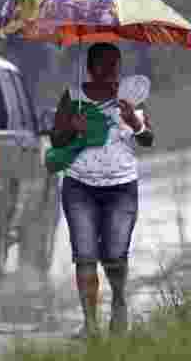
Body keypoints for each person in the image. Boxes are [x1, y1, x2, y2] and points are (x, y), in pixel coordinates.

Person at [51, 43, 154, 338]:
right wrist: (73, 128)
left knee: (114, 254)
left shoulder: (130, 99)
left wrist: (135, 123)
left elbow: (147, 139)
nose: (111, 72)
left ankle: (119, 304)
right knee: (84, 255)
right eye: (105, 66)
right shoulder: (73, 98)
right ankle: (91, 324)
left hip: (121, 188)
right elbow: (57, 141)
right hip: (79, 186)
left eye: (115, 66)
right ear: (91, 68)